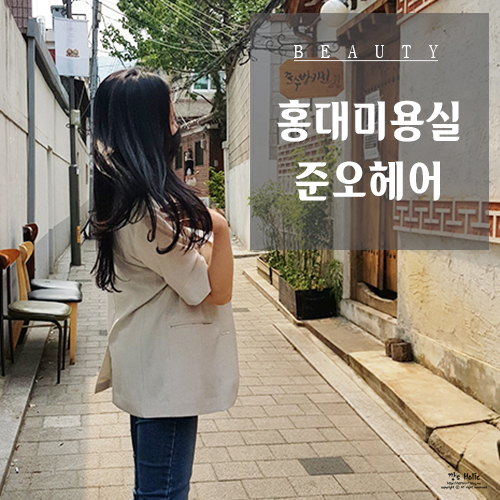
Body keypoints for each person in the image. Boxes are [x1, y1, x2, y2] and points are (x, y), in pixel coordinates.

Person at [91, 68, 239, 500]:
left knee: (155, 489)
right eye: (170, 116)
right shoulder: (148, 210)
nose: (176, 126)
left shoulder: (124, 195)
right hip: (166, 373)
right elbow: (216, 289)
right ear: (149, 127)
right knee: (163, 493)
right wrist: (219, 225)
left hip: (150, 364)